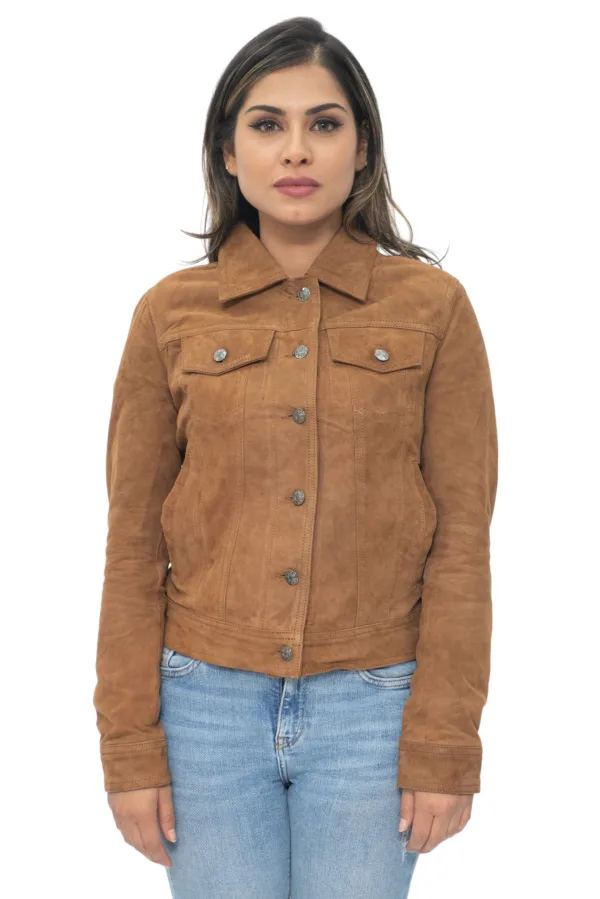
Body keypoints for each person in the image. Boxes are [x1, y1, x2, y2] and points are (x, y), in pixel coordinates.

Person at [93, 15, 498, 899]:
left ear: (363, 148)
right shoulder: (169, 314)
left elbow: (462, 541)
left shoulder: (434, 310)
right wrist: (129, 744)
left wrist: (445, 738)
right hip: (202, 708)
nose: (296, 149)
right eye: (267, 124)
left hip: (374, 707)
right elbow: (131, 546)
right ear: (228, 151)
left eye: (324, 122)